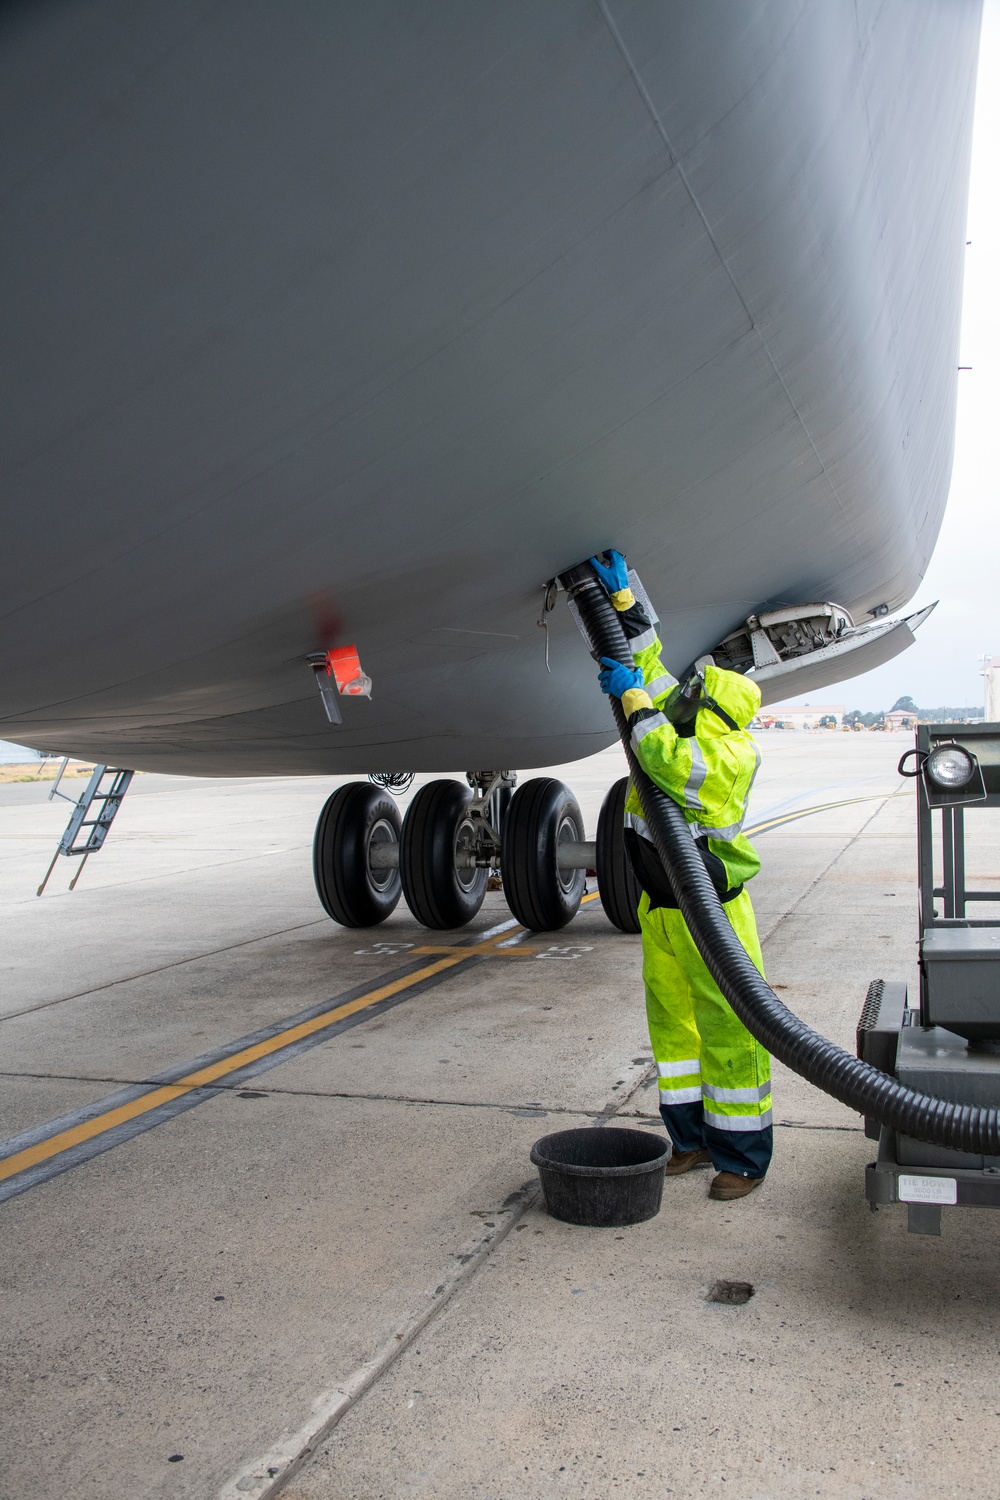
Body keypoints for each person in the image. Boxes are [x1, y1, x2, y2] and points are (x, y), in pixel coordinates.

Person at [590, 550, 771, 1201]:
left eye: (690, 703)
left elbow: (663, 757)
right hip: (662, 911)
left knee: (728, 1031)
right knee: (674, 1031)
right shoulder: (690, 716)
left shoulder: (725, 755)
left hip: (713, 914)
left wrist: (634, 705)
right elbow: (649, 672)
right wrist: (625, 608)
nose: (679, 702)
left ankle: (742, 1159)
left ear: (715, 719)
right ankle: (689, 1142)